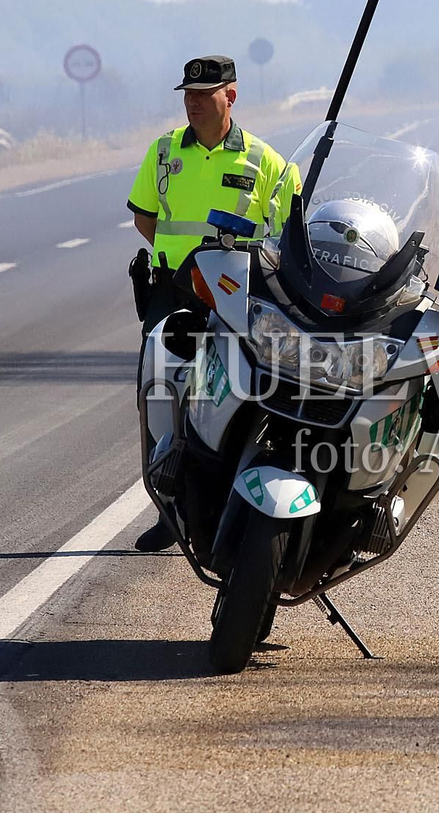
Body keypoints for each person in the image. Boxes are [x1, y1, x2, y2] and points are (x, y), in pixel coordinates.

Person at [127, 54, 300, 551]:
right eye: (188, 95)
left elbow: (288, 234)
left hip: (233, 295)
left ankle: (229, 500)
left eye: (204, 94)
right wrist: (182, 260)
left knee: (228, 394)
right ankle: (171, 510)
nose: (193, 104)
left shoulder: (264, 161)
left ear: (232, 95)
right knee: (165, 396)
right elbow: (147, 218)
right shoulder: (163, 153)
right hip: (172, 290)